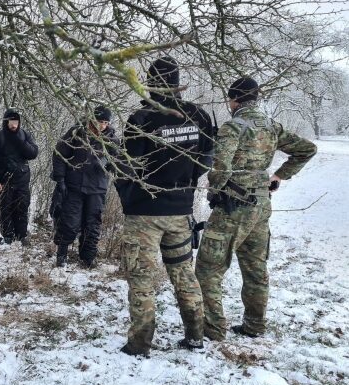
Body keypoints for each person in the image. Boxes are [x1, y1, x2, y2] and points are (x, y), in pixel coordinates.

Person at [195, 77, 317, 341]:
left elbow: (221, 168)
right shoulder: (272, 126)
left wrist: (215, 191)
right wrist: (279, 176)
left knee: (208, 267)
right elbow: (307, 149)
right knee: (255, 268)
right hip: (261, 207)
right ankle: (254, 325)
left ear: (234, 99)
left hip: (233, 206)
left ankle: (213, 329)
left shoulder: (233, 127)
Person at [116, 56, 215, 357]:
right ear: (177, 81)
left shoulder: (142, 119)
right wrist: (183, 183)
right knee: (184, 274)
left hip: (145, 213)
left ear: (151, 82)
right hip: (181, 211)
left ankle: (139, 343)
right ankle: (196, 335)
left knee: (142, 279)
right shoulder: (199, 116)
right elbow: (205, 161)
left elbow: (128, 168)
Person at [51, 105, 118, 268]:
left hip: (97, 188)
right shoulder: (76, 133)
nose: (102, 125)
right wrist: (60, 179)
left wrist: (108, 163)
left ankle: (88, 258)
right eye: (99, 121)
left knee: (93, 224)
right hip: (75, 185)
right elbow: (59, 154)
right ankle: (62, 254)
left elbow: (117, 161)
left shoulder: (113, 140)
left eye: (105, 122)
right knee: (70, 221)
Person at [0, 109, 38, 245]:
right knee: (5, 208)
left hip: (22, 179)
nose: (14, 125)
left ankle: (21, 235)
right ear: (6, 122)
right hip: (4, 180)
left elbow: (33, 153)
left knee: (22, 207)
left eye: (16, 121)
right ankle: (8, 236)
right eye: (11, 121)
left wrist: (21, 142)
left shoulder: (25, 135)